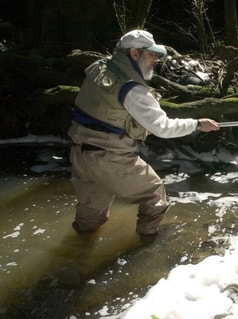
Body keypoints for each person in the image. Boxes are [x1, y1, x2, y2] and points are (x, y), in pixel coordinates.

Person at [68, 29, 220, 239]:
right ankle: (146, 248)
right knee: (154, 195)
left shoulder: (101, 68)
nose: (156, 59)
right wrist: (197, 124)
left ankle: (75, 252)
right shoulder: (132, 89)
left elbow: (106, 110)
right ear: (134, 53)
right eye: (152, 54)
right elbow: (163, 128)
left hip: (80, 155)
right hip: (111, 157)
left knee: (91, 216)